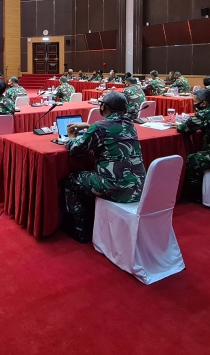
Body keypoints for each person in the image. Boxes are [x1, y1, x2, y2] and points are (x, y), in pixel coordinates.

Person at [60, 91, 147, 243]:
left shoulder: (99, 127)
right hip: (139, 187)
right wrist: (89, 126)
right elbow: (110, 134)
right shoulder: (130, 124)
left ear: (103, 106)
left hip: (116, 188)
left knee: (72, 180)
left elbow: (74, 149)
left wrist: (71, 137)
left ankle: (79, 229)